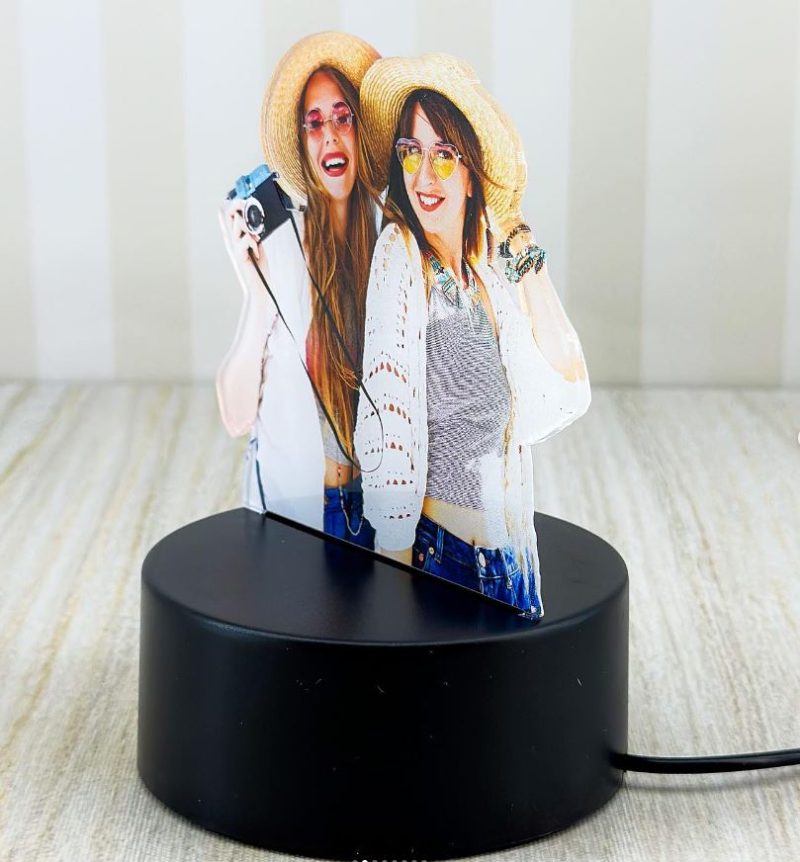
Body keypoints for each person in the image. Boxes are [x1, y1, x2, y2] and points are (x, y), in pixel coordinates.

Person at [354, 54, 591, 618]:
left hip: (516, 561)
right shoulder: (400, 257)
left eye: (444, 155)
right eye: (411, 152)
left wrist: (520, 242)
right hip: (445, 563)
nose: (424, 177)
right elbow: (389, 432)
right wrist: (392, 589)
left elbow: (567, 387)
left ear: (471, 172)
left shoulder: (487, 274)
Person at [216, 31, 379, 547]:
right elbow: (236, 416)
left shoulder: (391, 248)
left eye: (343, 118)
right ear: (304, 146)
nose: (329, 135)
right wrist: (256, 292)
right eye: (314, 123)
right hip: (297, 512)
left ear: (362, 133)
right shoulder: (283, 250)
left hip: (379, 514)